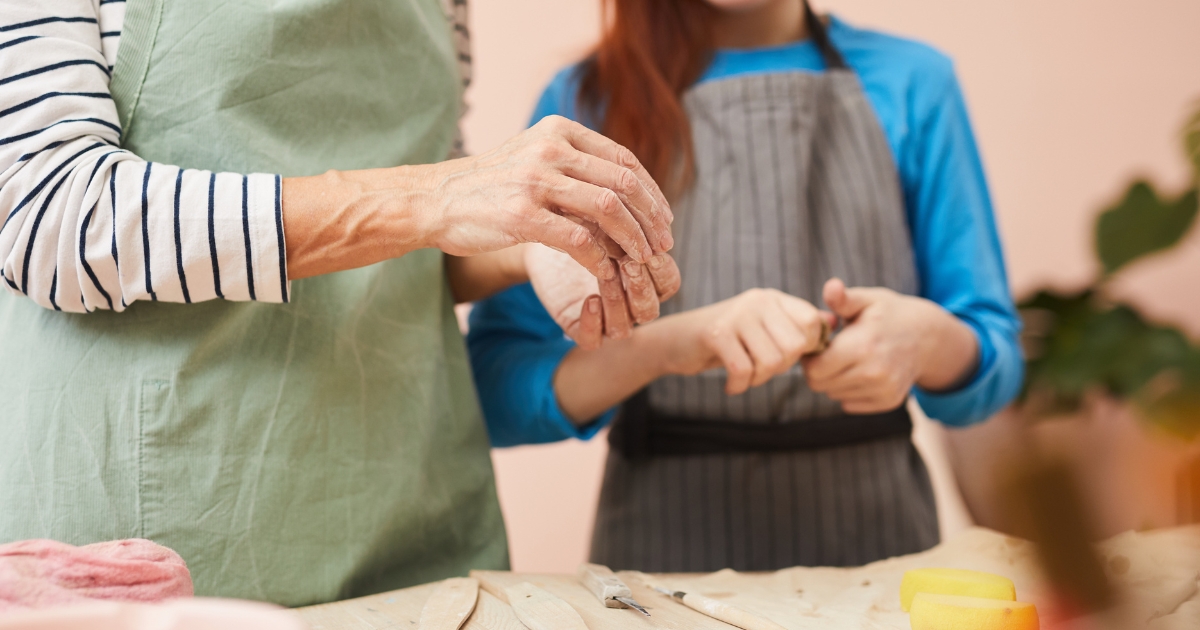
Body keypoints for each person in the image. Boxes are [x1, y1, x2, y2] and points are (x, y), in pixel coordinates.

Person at [0, 0, 680, 606]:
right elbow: (46, 216)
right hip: (172, 539)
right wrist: (437, 194)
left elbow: (422, 233)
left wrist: (529, 243)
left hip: (414, 523)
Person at [468, 0, 1024, 571]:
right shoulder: (584, 103)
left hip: (880, 555)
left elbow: (995, 359)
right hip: (662, 568)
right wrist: (668, 348)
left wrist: (927, 343)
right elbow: (492, 393)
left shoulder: (914, 83)